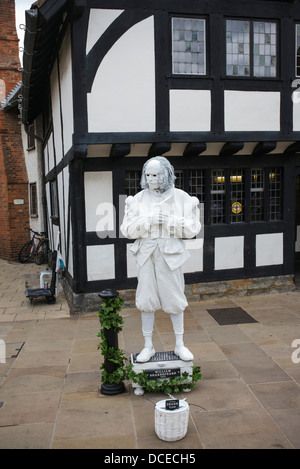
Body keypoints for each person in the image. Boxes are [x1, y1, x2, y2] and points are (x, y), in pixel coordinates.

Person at [120, 156, 201, 362]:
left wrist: (170, 221)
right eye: (148, 175)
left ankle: (180, 344)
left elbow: (193, 229)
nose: (151, 179)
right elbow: (126, 230)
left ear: (165, 174)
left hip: (170, 255)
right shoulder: (136, 199)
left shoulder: (182, 197)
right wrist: (147, 221)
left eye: (155, 175)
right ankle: (148, 346)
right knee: (146, 299)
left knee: (174, 298)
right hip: (146, 254)